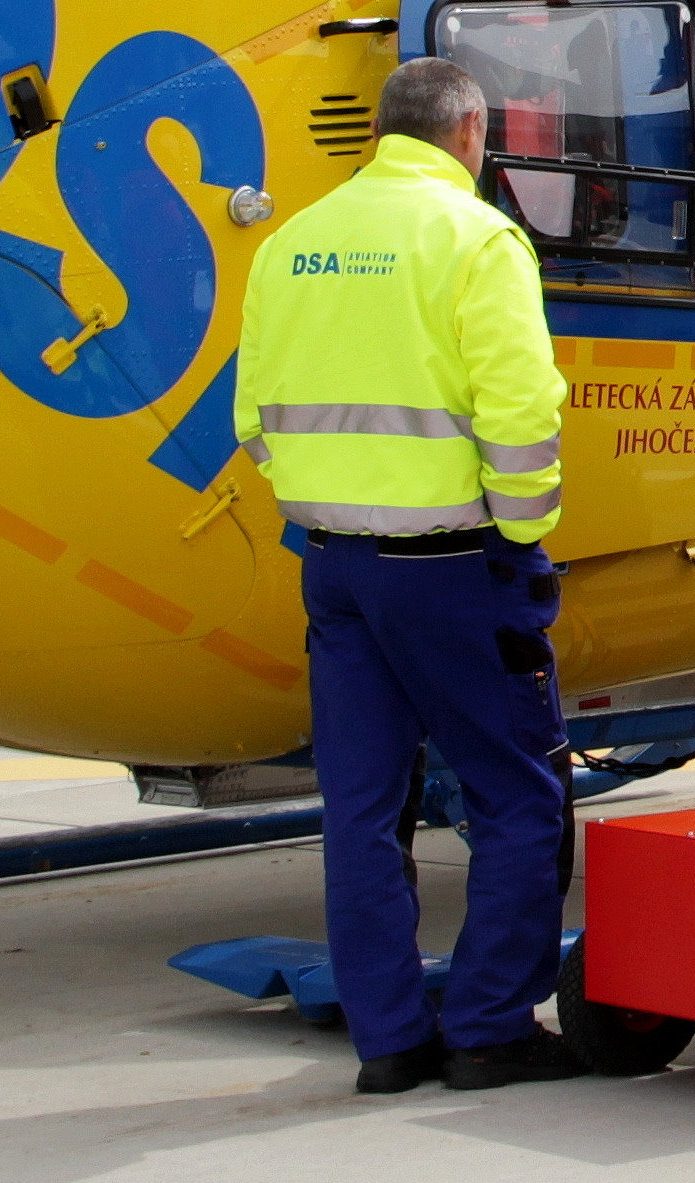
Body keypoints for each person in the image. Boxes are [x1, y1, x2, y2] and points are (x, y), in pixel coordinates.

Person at [237, 57, 582, 1095]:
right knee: (520, 797)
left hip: (335, 572)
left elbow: (253, 423)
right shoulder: (477, 241)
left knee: (361, 809)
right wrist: (519, 535)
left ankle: (387, 1043)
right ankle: (487, 1028)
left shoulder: (292, 243)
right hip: (453, 568)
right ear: (470, 132)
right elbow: (521, 417)